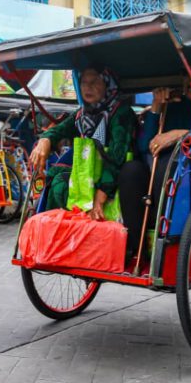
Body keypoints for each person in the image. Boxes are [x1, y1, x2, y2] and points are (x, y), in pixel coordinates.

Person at [29, 65, 147, 258]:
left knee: (130, 172)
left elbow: (117, 155)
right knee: (58, 180)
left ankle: (131, 248)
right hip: (91, 174)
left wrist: (101, 193)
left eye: (94, 82)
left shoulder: (121, 112)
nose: (87, 88)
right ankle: (55, 237)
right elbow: (60, 129)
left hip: (118, 175)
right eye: (84, 82)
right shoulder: (82, 114)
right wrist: (45, 140)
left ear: (107, 85)